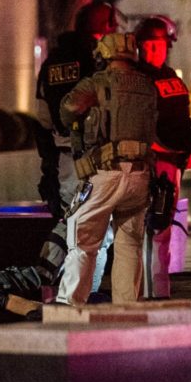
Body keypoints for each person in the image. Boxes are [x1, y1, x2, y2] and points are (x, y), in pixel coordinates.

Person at [55, 32, 158, 306]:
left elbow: (69, 108)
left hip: (106, 173)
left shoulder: (97, 82)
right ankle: (126, 310)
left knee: (82, 239)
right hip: (140, 177)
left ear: (104, 54)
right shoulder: (147, 85)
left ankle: (70, 305)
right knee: (129, 246)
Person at [34, 2, 120, 293]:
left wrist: (49, 164)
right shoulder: (95, 60)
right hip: (94, 155)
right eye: (113, 25)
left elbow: (42, 118)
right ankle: (70, 288)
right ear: (103, 28)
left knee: (75, 219)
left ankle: (64, 284)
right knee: (91, 226)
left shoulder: (52, 64)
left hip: (64, 158)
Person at [135, 15, 191, 299]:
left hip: (172, 164)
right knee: (140, 229)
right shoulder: (135, 79)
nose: (155, 51)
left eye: (159, 45)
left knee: (162, 229)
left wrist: (188, 152)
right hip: (147, 161)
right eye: (149, 45)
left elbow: (183, 119)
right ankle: (141, 293)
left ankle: (160, 292)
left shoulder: (173, 79)